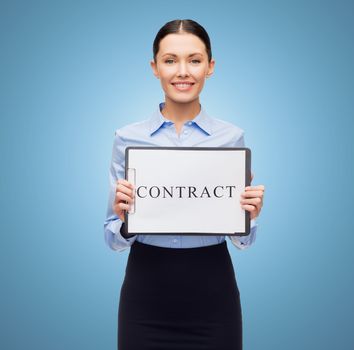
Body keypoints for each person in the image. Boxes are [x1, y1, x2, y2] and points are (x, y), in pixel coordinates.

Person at [104, 19, 265, 350]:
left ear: (210, 67)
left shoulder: (231, 137)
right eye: (169, 60)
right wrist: (124, 220)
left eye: (194, 60)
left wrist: (247, 216)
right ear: (154, 67)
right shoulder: (126, 138)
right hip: (144, 293)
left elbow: (244, 241)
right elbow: (112, 238)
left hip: (213, 292)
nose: (182, 71)